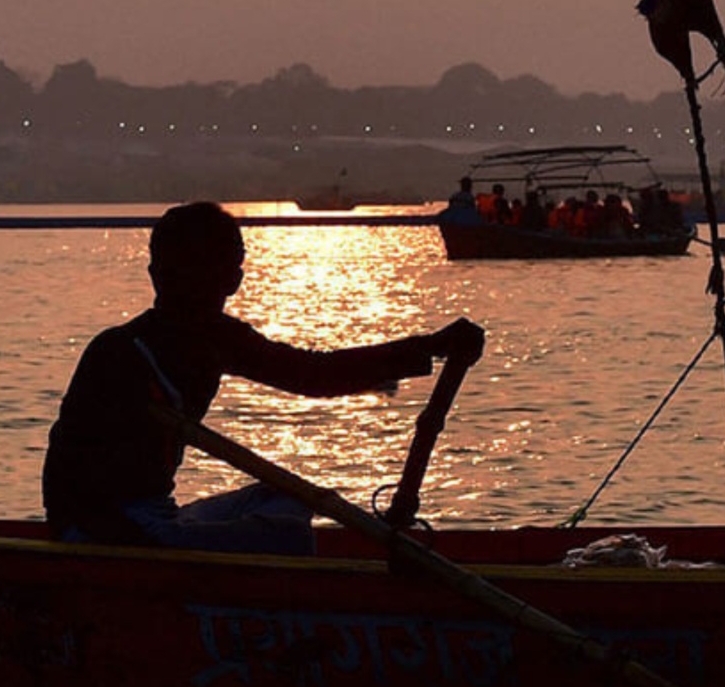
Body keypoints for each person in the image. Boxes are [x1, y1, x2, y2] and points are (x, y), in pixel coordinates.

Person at [42, 199, 484, 552]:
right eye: (185, 272)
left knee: (293, 502)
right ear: (159, 275)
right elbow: (64, 473)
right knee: (287, 536)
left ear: (232, 281)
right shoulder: (119, 351)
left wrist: (431, 346)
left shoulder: (216, 339)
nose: (196, 288)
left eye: (213, 273)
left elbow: (313, 375)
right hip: (109, 533)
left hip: (158, 518)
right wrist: (124, 543)